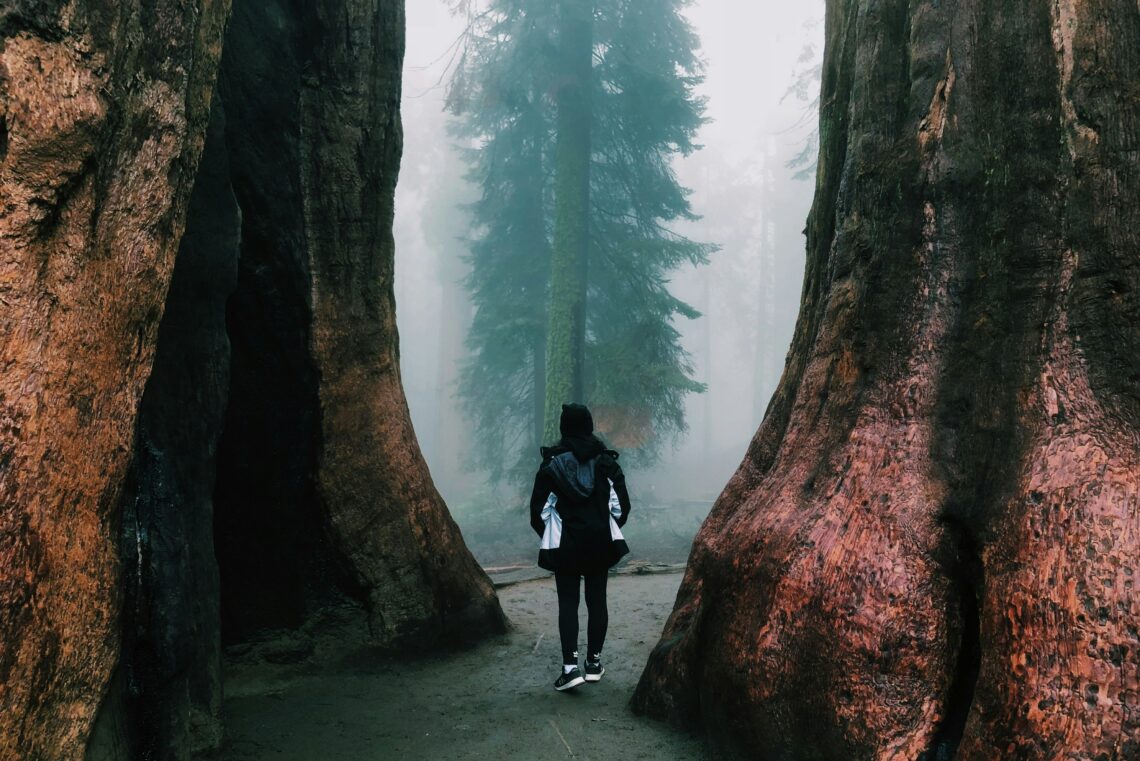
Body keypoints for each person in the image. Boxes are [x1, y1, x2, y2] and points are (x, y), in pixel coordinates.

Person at [530, 403, 631, 691]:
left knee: (568, 603)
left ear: (564, 428)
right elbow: (621, 508)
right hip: (600, 542)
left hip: (566, 545)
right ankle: (594, 663)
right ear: (589, 426)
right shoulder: (607, 464)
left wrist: (553, 533)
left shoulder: (551, 466)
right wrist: (604, 527)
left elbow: (539, 512)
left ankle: (570, 668)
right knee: (597, 601)